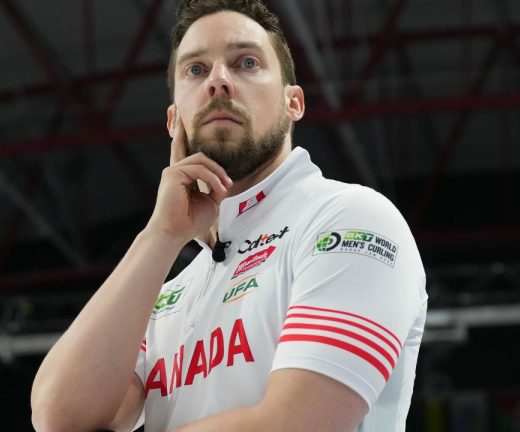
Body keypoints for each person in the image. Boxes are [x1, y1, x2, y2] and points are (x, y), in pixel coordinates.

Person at [30, 0, 427, 431]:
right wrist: (161, 235)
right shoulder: (167, 295)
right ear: (173, 119)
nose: (218, 80)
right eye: (196, 70)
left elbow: (298, 424)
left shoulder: (348, 219)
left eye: (247, 63)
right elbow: (59, 417)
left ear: (293, 102)